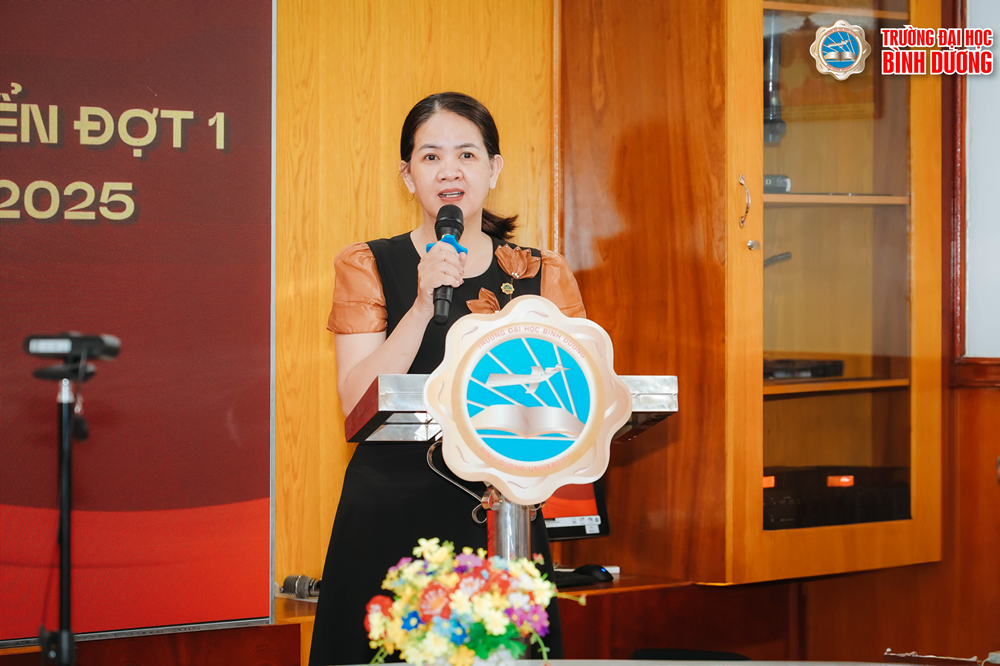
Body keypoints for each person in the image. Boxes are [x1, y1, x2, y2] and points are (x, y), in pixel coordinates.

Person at [309, 92, 585, 665]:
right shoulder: (367, 264)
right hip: (389, 515)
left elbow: (576, 404)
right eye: (431, 157)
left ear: (494, 168)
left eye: (467, 154)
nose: (450, 171)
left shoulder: (542, 275)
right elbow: (356, 404)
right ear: (407, 175)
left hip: (503, 514)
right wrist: (418, 305)